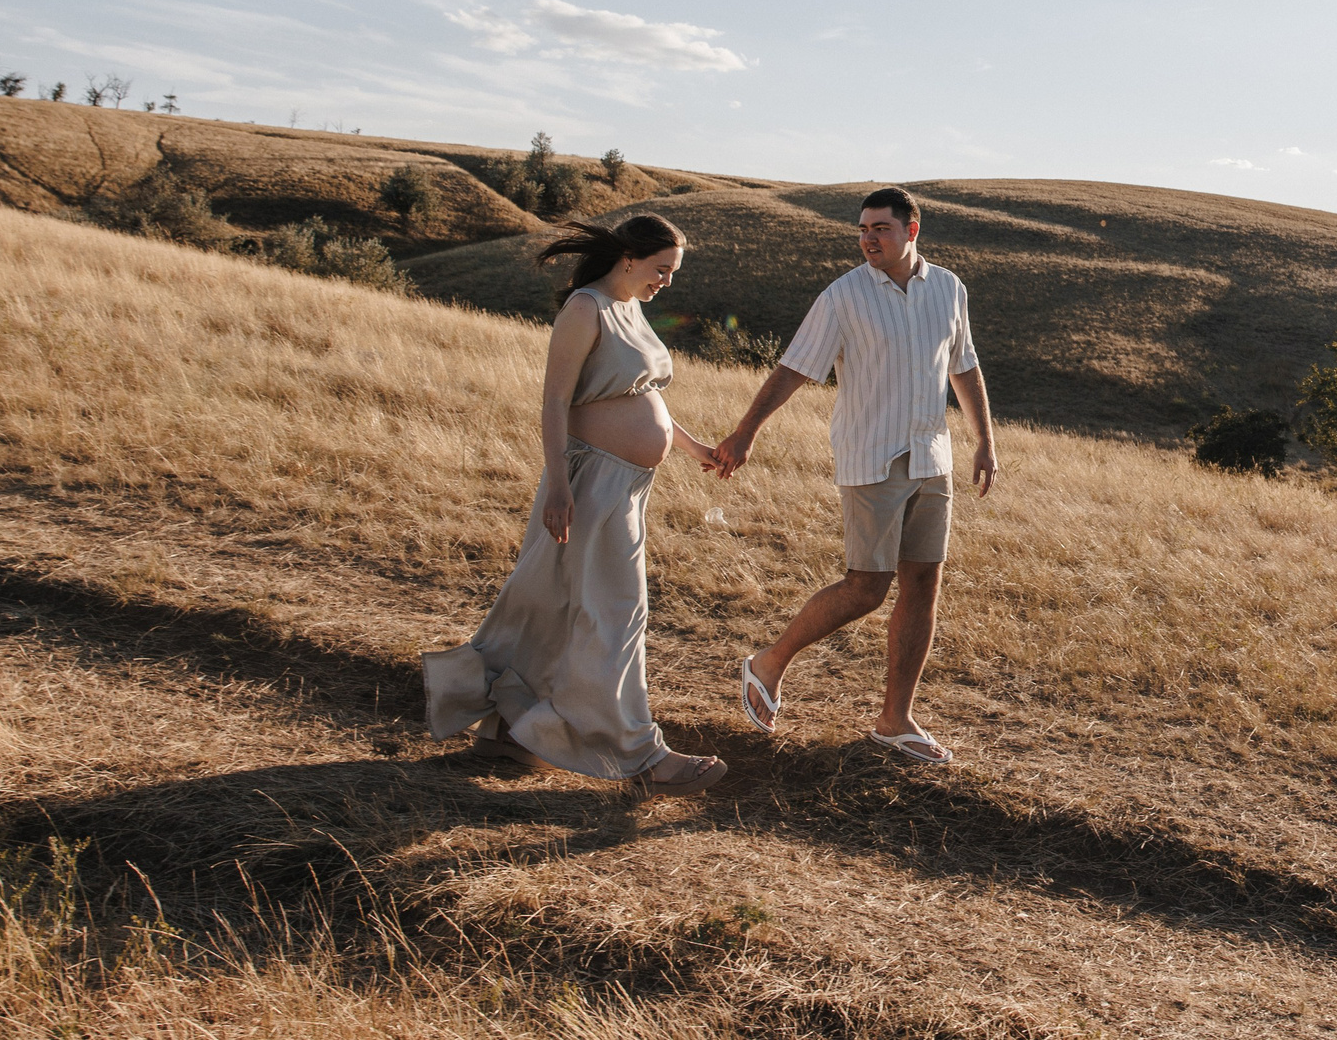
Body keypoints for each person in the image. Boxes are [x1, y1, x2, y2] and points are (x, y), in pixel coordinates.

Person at [423, 213, 729, 798]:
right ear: (630, 257)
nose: (667, 281)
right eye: (662, 269)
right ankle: (643, 756)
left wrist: (696, 450)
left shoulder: (631, 306)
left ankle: (506, 734)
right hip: (589, 484)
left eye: (673, 272)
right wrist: (559, 484)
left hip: (627, 486)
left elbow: (645, 395)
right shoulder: (585, 308)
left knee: (554, 605)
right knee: (616, 613)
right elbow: (554, 402)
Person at [709, 187, 997, 764]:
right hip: (872, 456)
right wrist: (746, 432)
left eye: (881, 229)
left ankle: (895, 721)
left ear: (912, 231)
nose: (869, 238)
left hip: (931, 457)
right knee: (867, 586)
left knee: (923, 584)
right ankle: (768, 662)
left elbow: (963, 365)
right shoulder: (843, 296)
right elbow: (796, 367)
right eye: (863, 229)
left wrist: (984, 439)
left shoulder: (948, 288)